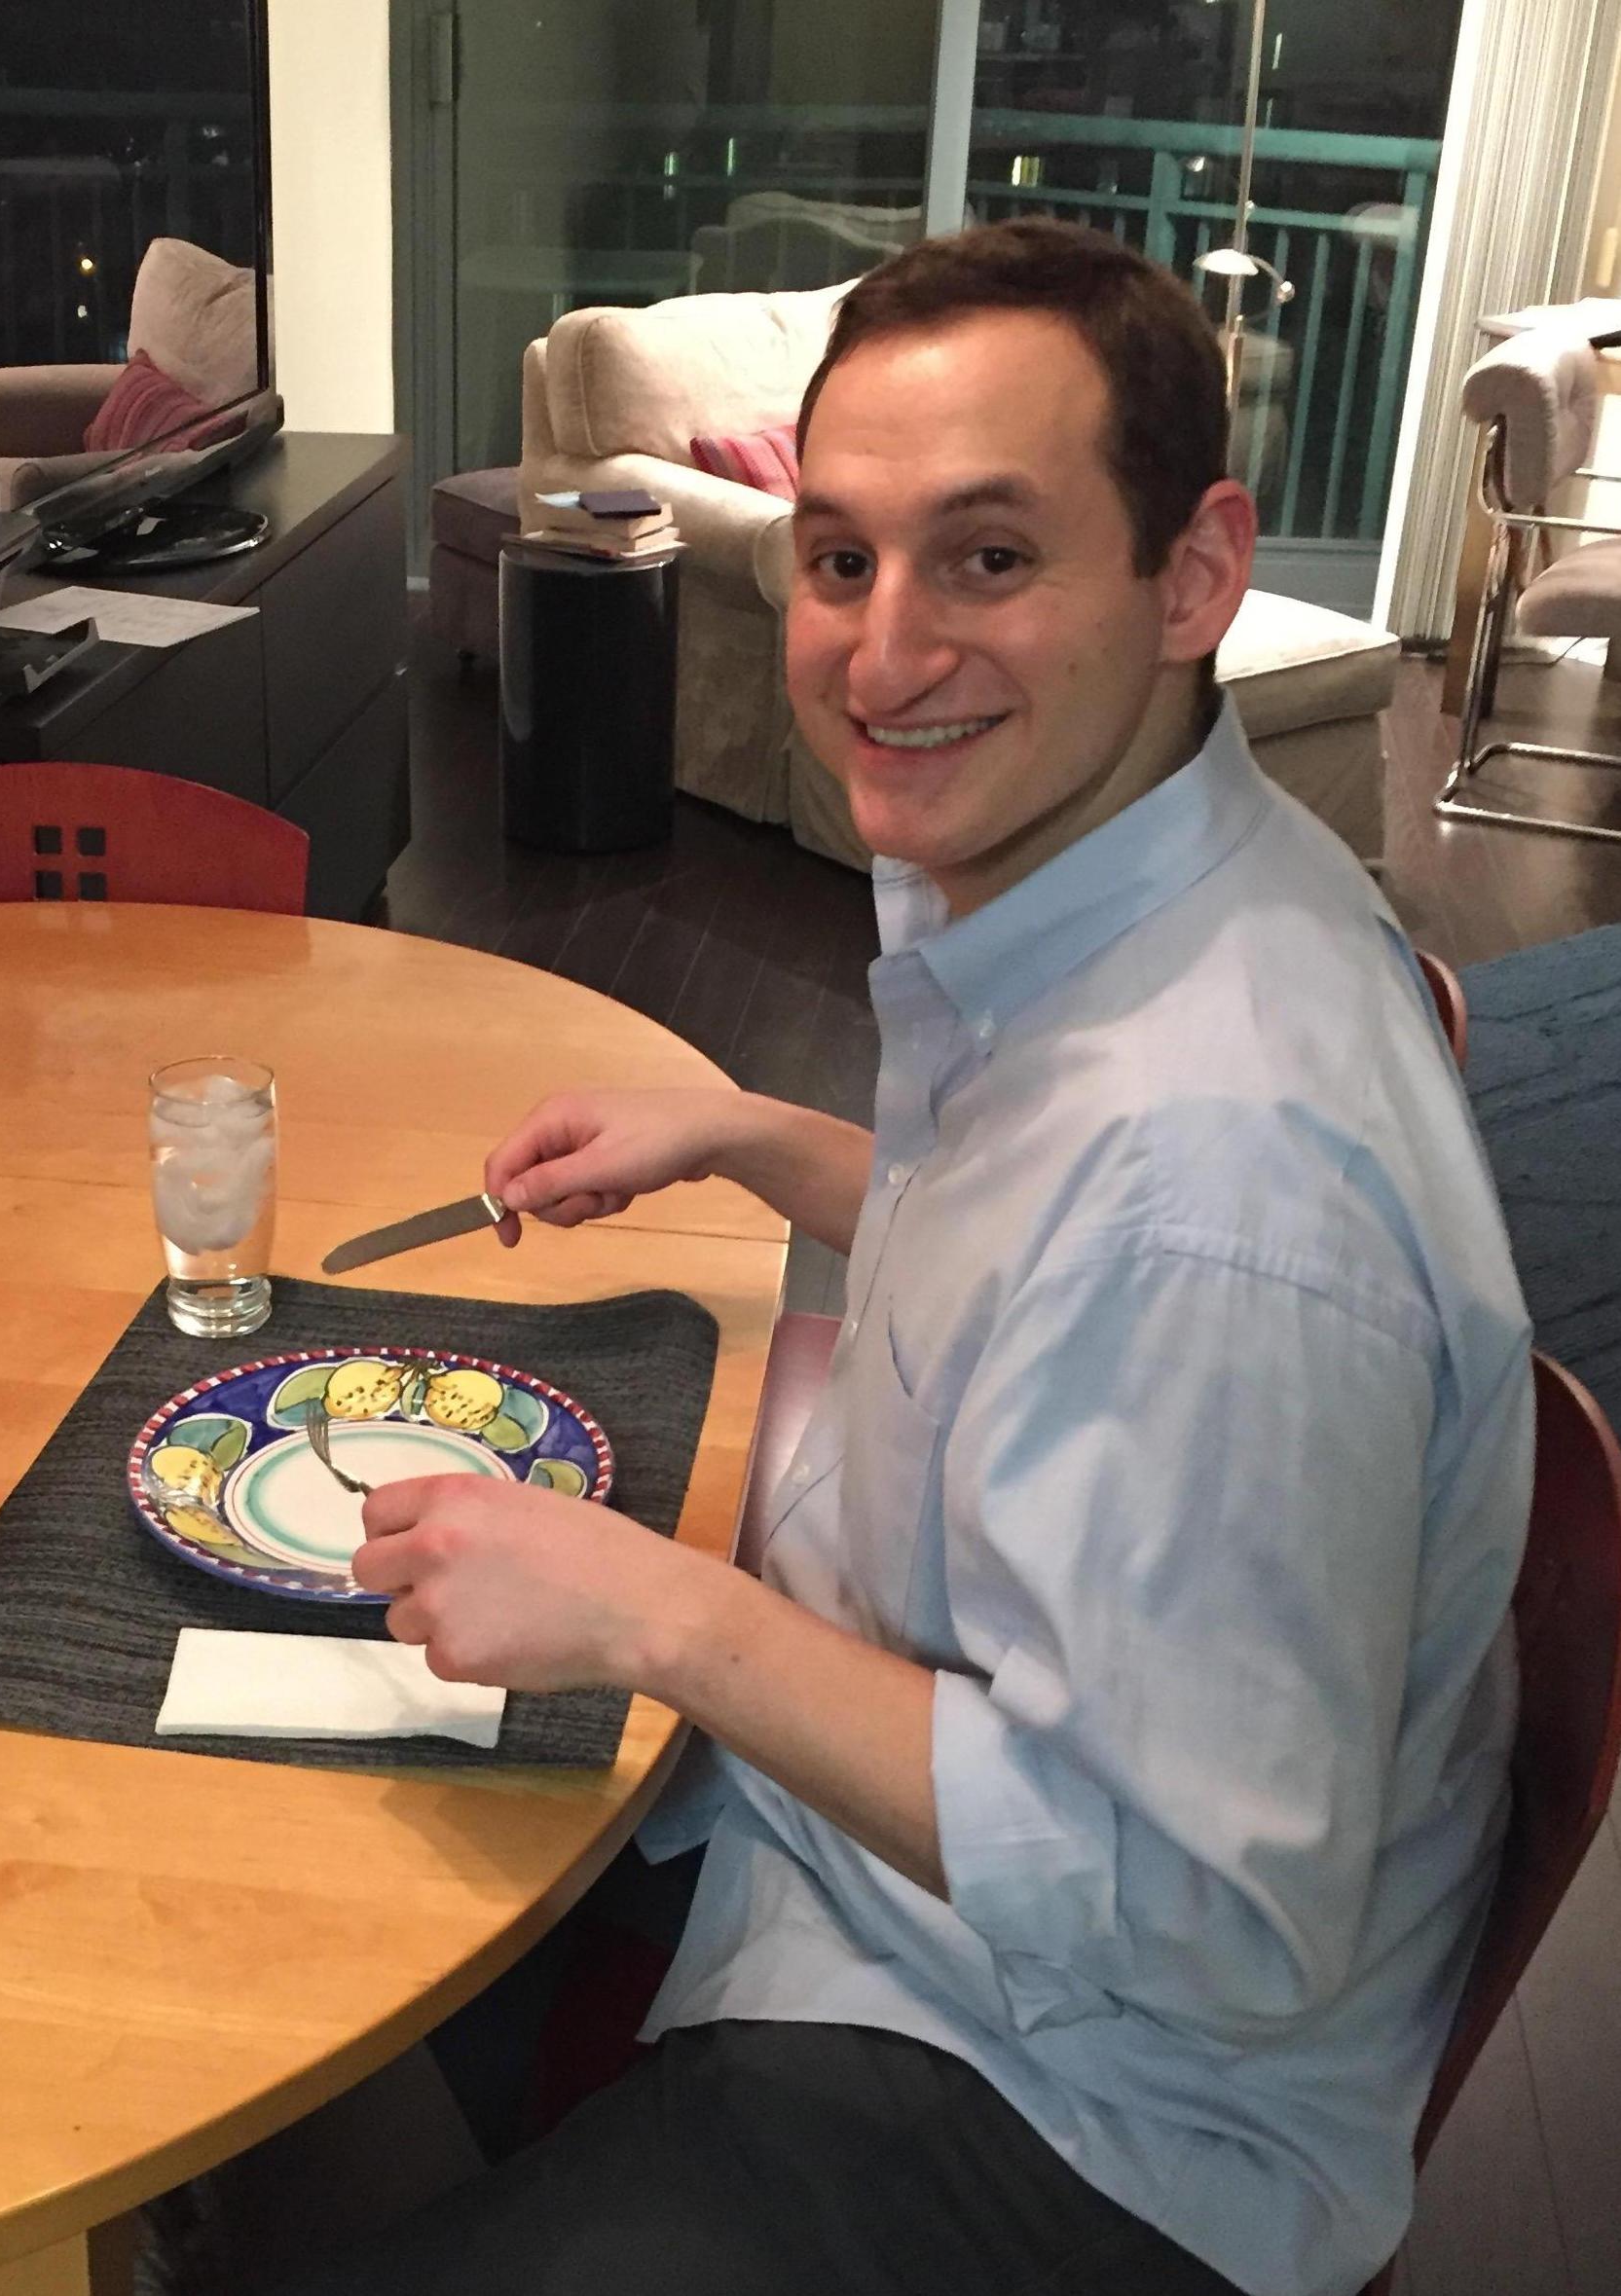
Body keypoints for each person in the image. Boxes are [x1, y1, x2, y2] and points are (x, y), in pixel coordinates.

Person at [273, 219, 1532, 2296]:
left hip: (1074, 2116)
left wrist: (668, 1616)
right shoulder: (1155, 893)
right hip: (925, 1910)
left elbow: (1203, 1902)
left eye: (989, 558)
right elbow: (1061, 1251)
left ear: (1193, 574)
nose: (878, 654)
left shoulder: (1223, 1177)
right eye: (841, 558)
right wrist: (768, 1141)